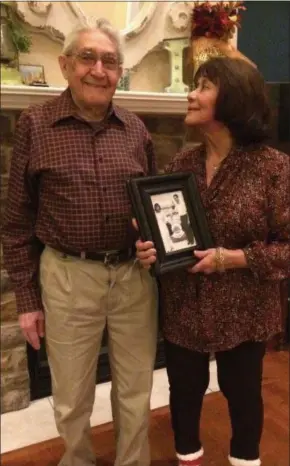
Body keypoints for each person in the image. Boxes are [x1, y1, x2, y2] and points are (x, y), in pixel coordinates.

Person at [2, 19, 158, 466]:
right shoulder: (35, 125)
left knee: (136, 391)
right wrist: (28, 301)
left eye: (110, 61)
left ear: (119, 72)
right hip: (68, 277)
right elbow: (16, 223)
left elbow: (151, 207)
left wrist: (153, 244)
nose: (98, 69)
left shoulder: (136, 129)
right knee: (71, 398)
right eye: (87, 57)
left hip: (133, 278)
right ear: (65, 64)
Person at [135, 57, 290, 466]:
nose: (190, 93)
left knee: (243, 399)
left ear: (233, 98)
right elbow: (166, 236)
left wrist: (233, 258)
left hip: (245, 312)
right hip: (184, 305)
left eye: (203, 85)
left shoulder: (274, 169)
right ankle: (188, 457)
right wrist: (148, 249)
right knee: (183, 398)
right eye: (194, 84)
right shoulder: (180, 165)